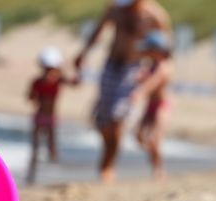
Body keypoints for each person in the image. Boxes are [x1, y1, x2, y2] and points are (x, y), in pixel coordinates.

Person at [74, 0, 170, 183]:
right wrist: (83, 52)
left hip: (133, 68)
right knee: (103, 120)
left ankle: (108, 165)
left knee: (118, 116)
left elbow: (164, 46)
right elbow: (98, 31)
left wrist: (155, 73)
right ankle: (108, 151)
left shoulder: (155, 15)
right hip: (111, 64)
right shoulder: (115, 9)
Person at [27, 47, 78, 184]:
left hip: (51, 117)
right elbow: (30, 97)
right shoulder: (38, 81)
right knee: (36, 148)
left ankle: (54, 176)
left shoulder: (58, 79)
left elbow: (75, 83)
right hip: (40, 116)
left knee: (52, 147)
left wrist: (68, 70)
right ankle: (31, 176)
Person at [132, 30, 173, 180]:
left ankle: (159, 170)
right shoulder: (151, 65)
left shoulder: (165, 66)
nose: (146, 53)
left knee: (155, 139)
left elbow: (155, 81)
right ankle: (154, 161)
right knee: (139, 135)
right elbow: (143, 77)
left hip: (162, 106)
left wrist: (140, 92)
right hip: (149, 106)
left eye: (149, 50)